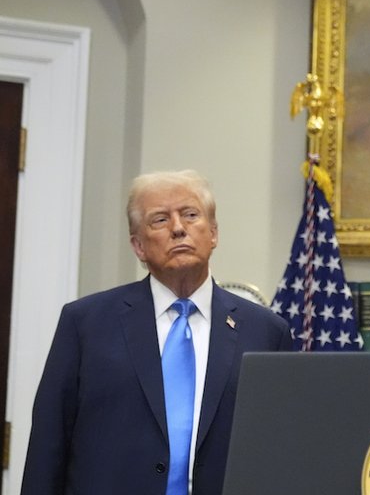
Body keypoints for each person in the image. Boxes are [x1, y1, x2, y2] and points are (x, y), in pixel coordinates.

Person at [22, 170, 292, 495]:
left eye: (191, 215)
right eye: (160, 220)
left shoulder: (266, 331)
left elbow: (280, 450)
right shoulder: (85, 324)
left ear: (214, 233)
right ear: (138, 246)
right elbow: (48, 445)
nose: (178, 228)